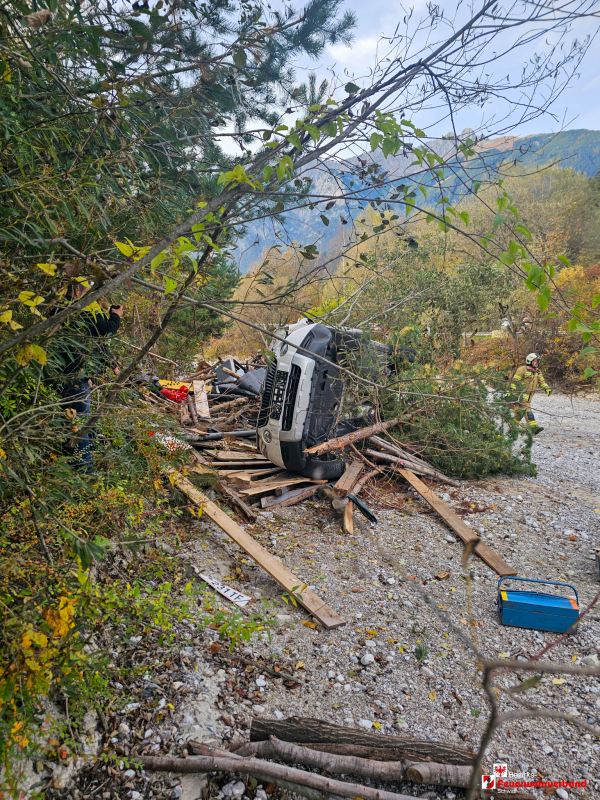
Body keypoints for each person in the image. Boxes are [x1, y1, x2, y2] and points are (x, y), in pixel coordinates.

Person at [56, 280, 124, 471]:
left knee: (70, 421)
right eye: (90, 292)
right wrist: (115, 316)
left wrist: (111, 366)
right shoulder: (82, 310)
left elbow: (97, 344)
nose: (95, 298)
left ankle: (70, 464)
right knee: (80, 423)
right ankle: (86, 471)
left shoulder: (60, 308)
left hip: (67, 374)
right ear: (78, 291)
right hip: (76, 377)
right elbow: (104, 330)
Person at [509, 353, 551, 434]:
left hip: (529, 398)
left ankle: (513, 428)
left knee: (519, 413)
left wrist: (547, 389)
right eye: (534, 361)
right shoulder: (522, 369)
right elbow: (514, 382)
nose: (536, 362)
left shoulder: (538, 371)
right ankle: (534, 428)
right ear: (529, 361)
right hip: (521, 396)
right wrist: (512, 393)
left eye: (537, 361)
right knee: (528, 412)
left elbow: (542, 382)